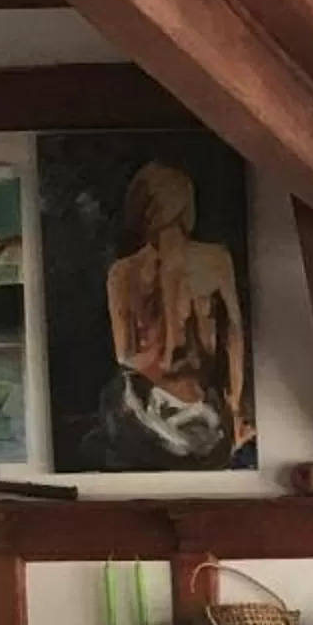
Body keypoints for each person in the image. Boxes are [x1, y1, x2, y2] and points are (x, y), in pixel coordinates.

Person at [89, 161, 252, 468]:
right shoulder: (216, 260)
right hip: (205, 410)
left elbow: (124, 356)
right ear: (187, 206)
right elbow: (234, 339)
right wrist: (235, 408)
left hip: (143, 411)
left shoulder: (121, 273)